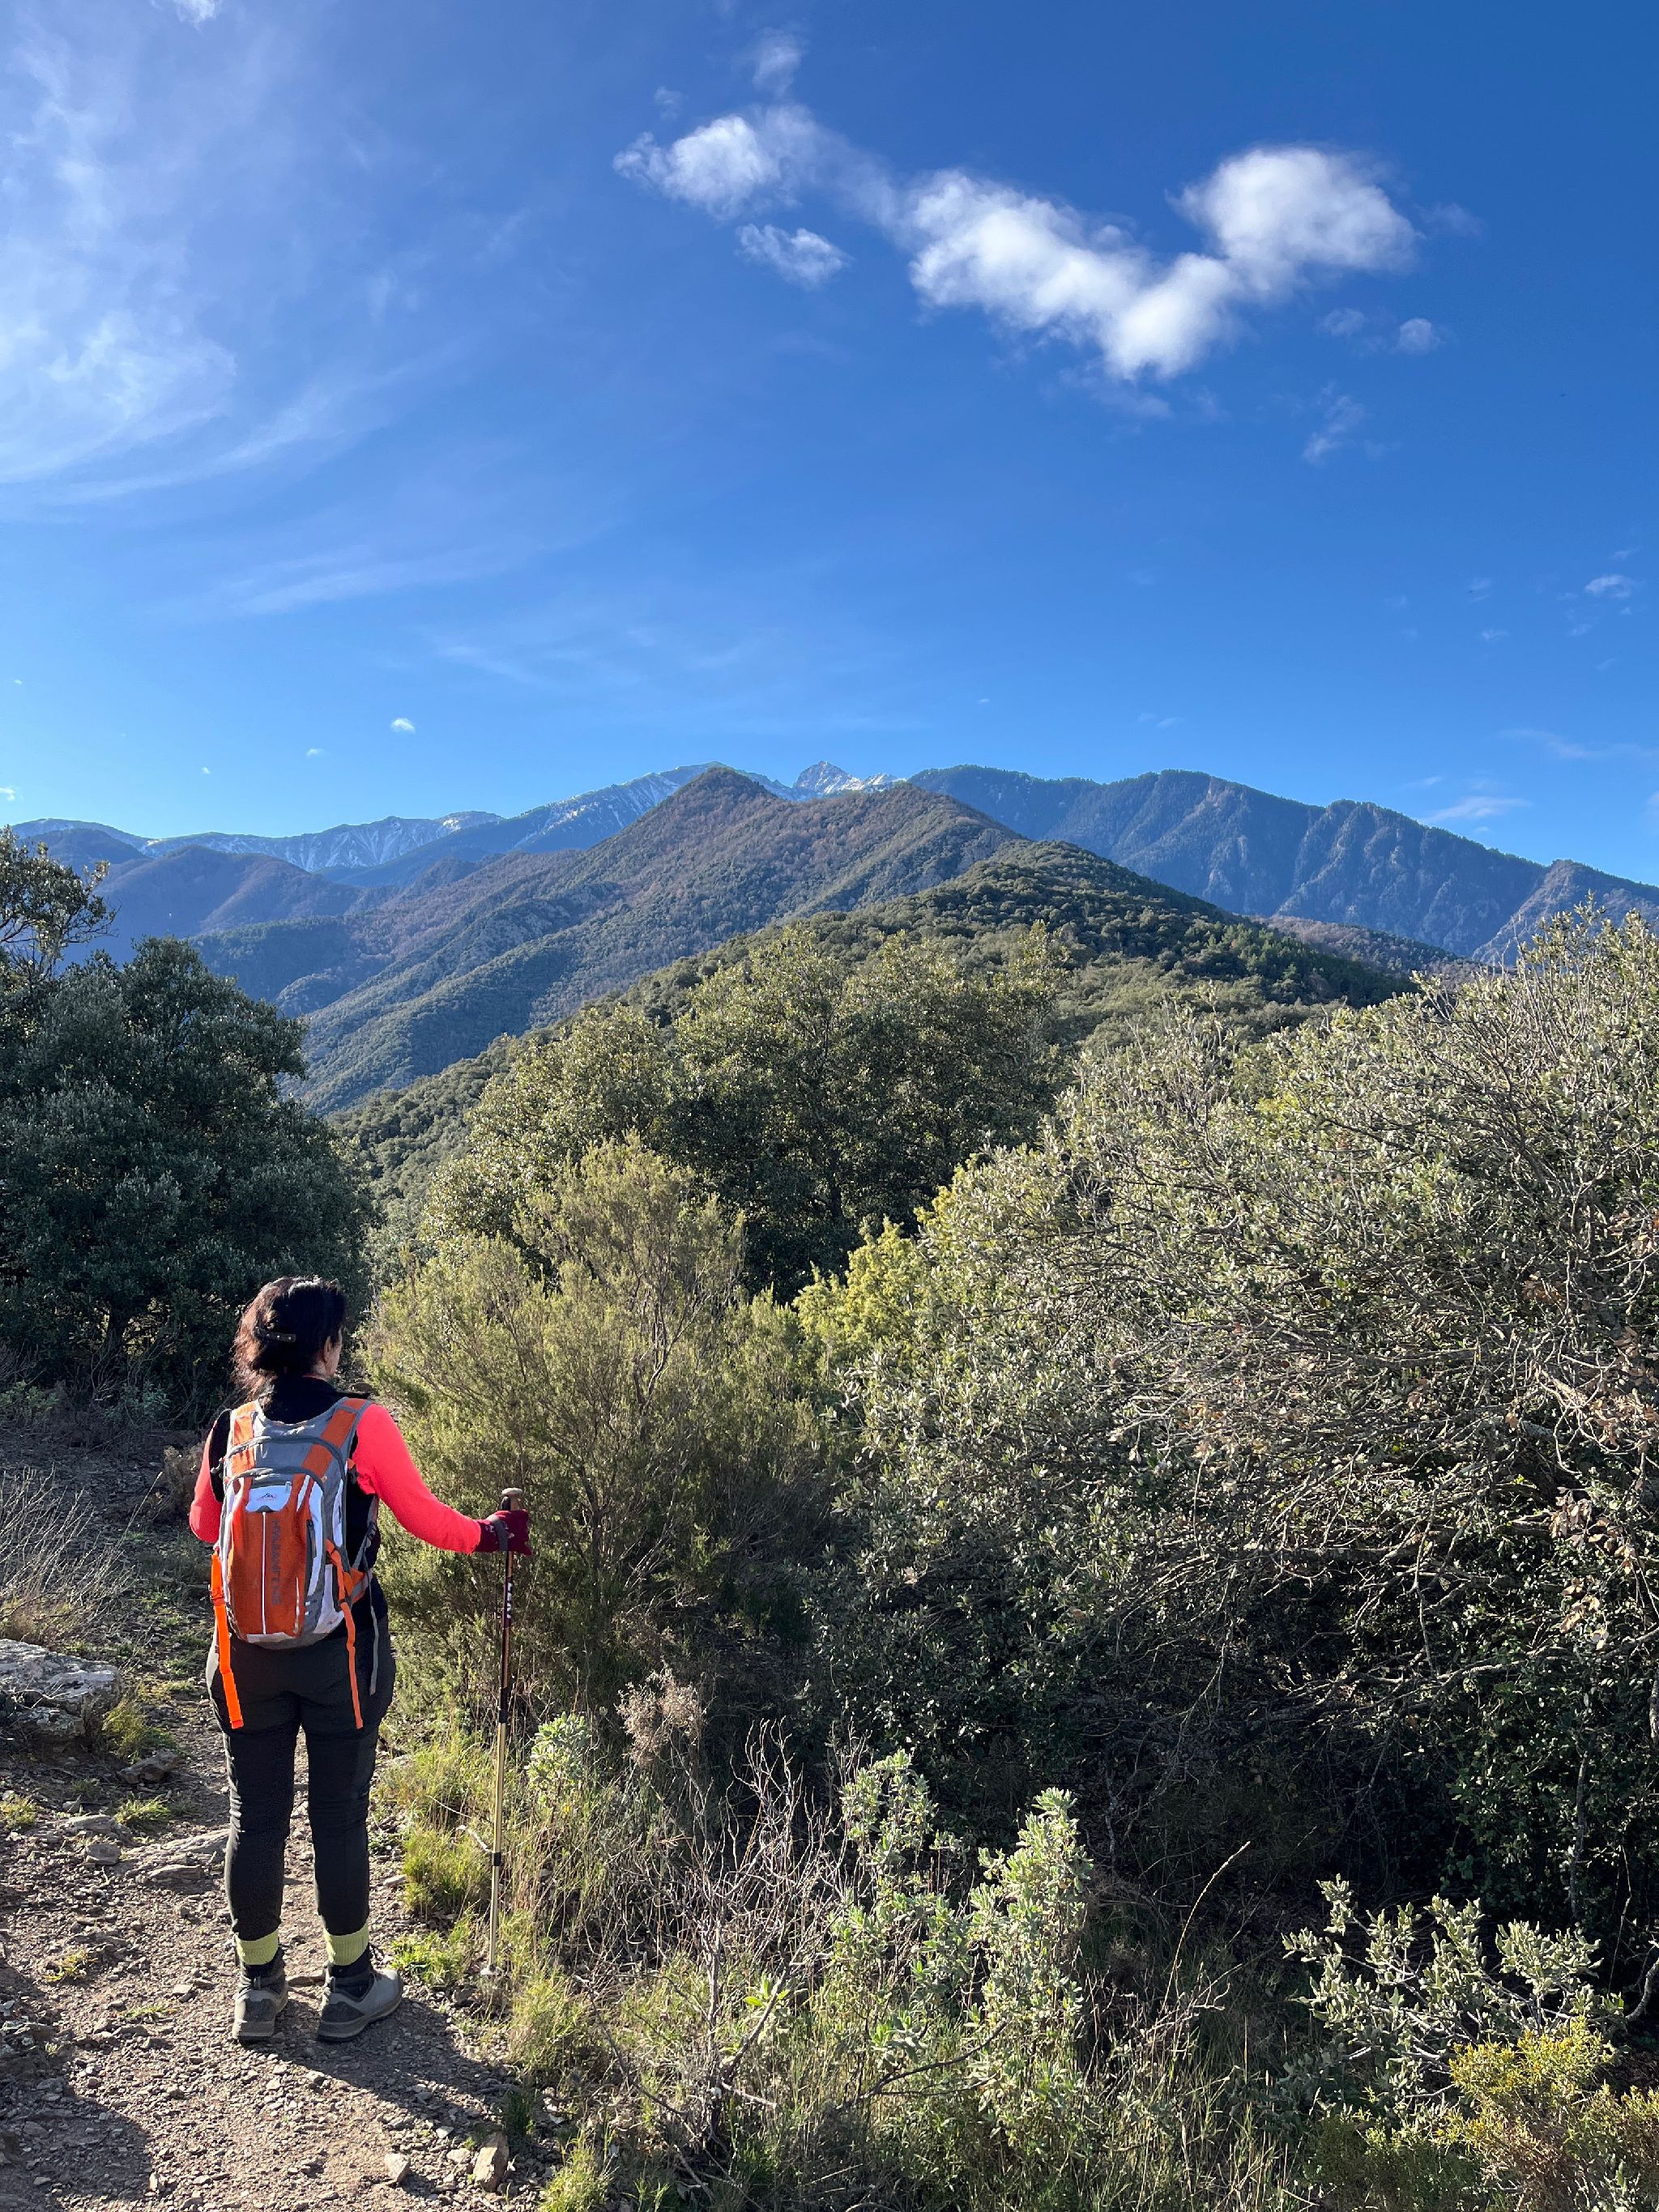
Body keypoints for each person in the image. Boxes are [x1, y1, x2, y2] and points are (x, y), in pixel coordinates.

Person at [189, 1274, 531, 2045]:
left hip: (244, 1658)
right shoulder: (359, 1423)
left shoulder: (229, 1430)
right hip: (339, 1653)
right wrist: (493, 1534)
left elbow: (206, 1526)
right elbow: (426, 1519)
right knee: (338, 1814)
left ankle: (258, 1987)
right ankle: (350, 1986)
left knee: (255, 1815)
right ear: (329, 1345)